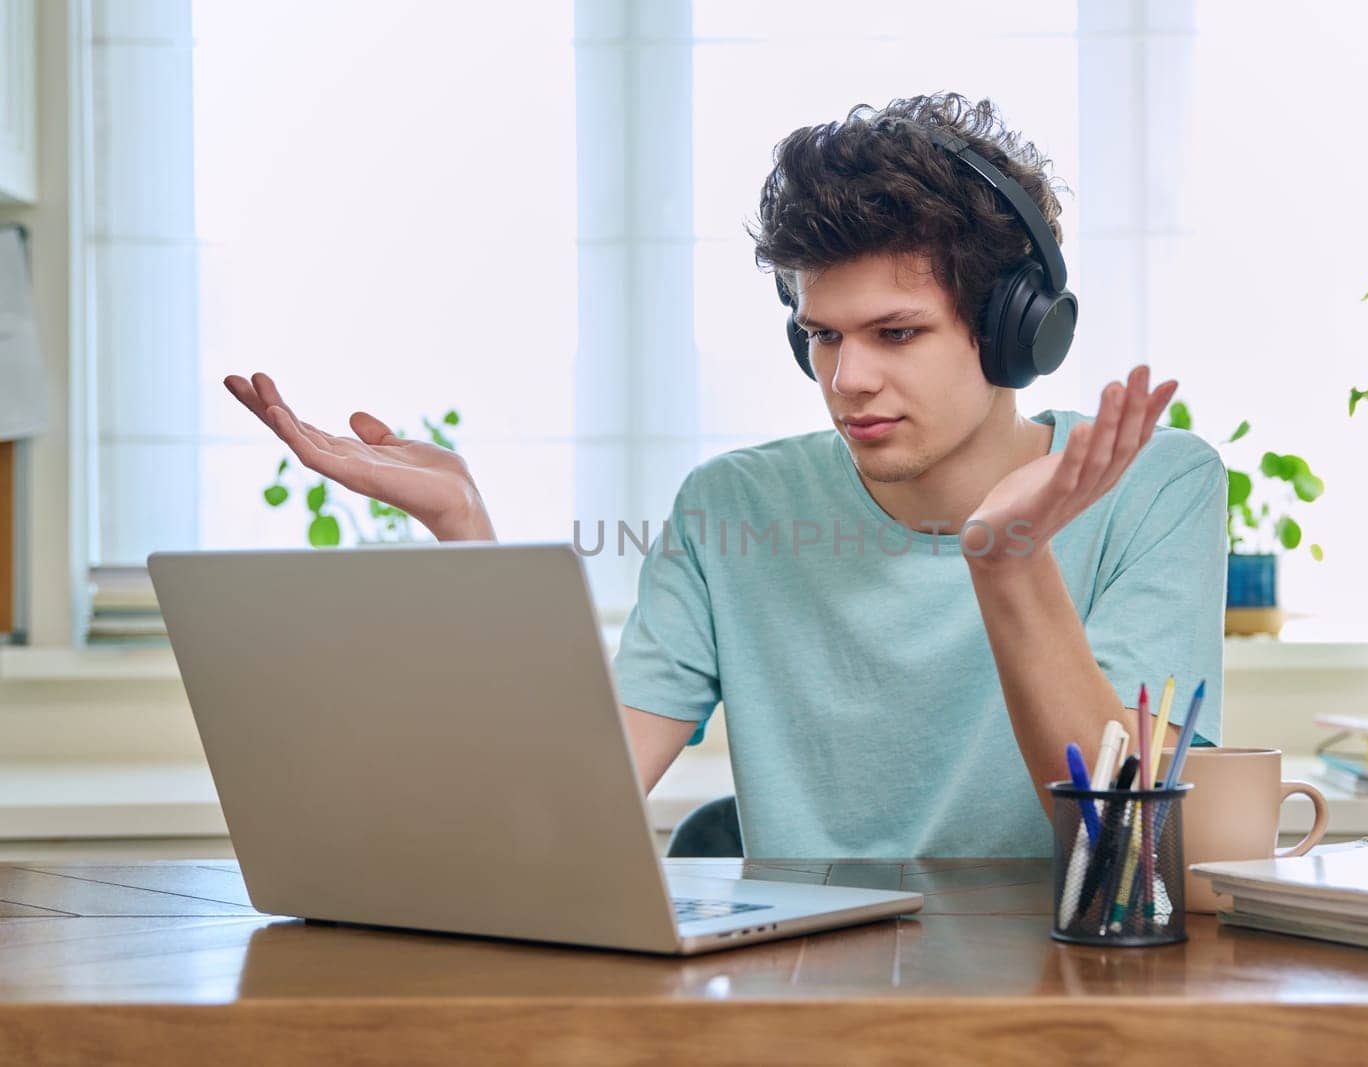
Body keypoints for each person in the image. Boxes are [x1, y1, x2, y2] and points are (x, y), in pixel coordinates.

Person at [223, 92, 1225, 859]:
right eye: (821, 336)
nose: (848, 378)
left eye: (896, 332)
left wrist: (1010, 565)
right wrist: (467, 538)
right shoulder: (731, 507)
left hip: (1060, 990)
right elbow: (568, 800)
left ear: (1019, 330)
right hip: (788, 1003)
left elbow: (1126, 839)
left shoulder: (1151, 486)